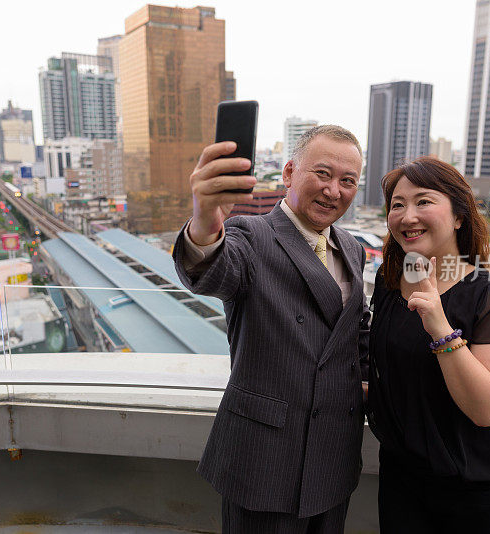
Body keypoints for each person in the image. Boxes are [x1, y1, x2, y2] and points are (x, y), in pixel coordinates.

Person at [173, 125, 371, 533]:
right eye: (322, 173)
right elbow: (212, 271)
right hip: (264, 457)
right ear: (288, 172)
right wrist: (204, 222)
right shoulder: (250, 234)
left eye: (347, 181)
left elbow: (354, 335)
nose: (334, 190)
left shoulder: (351, 247)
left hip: (334, 452)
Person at [367, 156, 490, 533]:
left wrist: (438, 324)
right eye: (397, 205)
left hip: (482, 483)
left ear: (460, 216)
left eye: (424, 201)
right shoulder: (388, 283)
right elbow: (384, 365)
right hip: (404, 474)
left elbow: (486, 410)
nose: (407, 215)